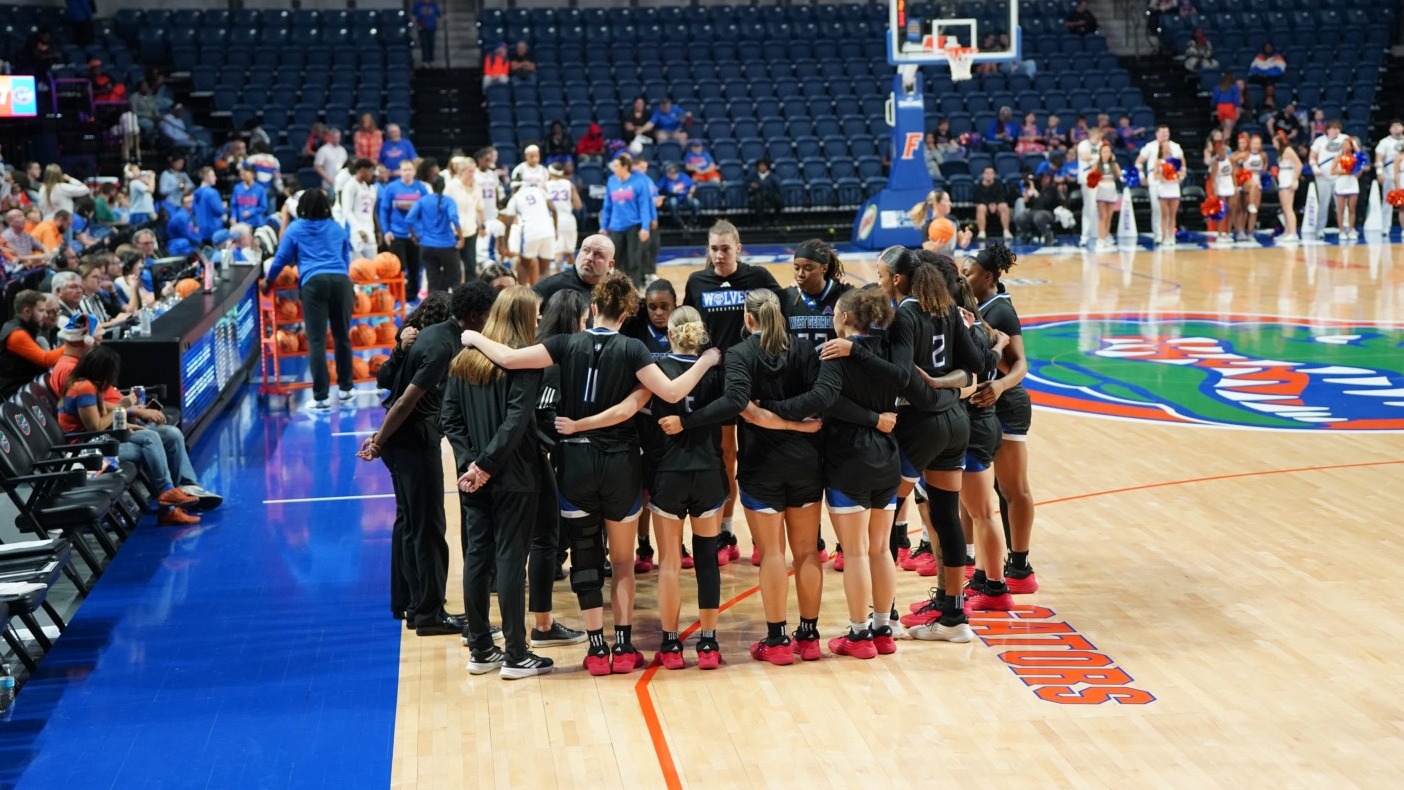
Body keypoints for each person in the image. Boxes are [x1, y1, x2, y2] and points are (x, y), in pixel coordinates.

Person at [460, 271, 722, 675]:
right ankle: (623, 644)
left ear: (593, 308)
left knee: (585, 557)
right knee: (621, 562)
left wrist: (473, 338)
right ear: (629, 311)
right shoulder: (635, 349)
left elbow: (510, 358)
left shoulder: (566, 343)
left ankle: (596, 650)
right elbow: (671, 393)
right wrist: (705, 360)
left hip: (575, 465)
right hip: (620, 464)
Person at [758, 287, 906, 658]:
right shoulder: (888, 350)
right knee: (880, 549)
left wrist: (773, 408)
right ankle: (883, 630)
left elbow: (823, 400)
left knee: (855, 552)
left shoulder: (834, 353)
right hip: (887, 457)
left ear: (842, 317)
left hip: (850, 458)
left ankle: (859, 636)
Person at [360, 282, 496, 636]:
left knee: (410, 524)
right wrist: (378, 440)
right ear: (472, 315)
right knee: (429, 528)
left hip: (406, 439)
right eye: (487, 315)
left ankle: (411, 604)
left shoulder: (439, 332)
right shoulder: (441, 346)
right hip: (412, 438)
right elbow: (405, 400)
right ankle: (430, 614)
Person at [441, 286, 556, 679]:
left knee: (477, 558)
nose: (539, 321)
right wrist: (486, 465)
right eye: (535, 315)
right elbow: (515, 422)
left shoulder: (463, 360)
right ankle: (516, 654)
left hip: (470, 479)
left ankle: (480, 649)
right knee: (510, 561)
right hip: (515, 476)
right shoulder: (523, 363)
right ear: (522, 318)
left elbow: (450, 421)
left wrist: (468, 463)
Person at [625, 306, 728, 669]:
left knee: (669, 562)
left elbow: (638, 419)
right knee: (706, 560)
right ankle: (709, 644)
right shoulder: (716, 373)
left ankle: (670, 646)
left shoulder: (656, 372)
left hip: (668, 472)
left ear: (669, 334)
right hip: (708, 472)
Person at [684, 220, 783, 559]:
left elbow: (787, 309)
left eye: (725, 248)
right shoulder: (697, 281)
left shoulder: (758, 278)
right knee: (726, 456)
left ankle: (761, 537)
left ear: (739, 248)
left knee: (756, 456)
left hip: (756, 379)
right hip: (715, 382)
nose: (719, 255)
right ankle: (727, 532)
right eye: (714, 249)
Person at [57, 344, 209, 525]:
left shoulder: (90, 385)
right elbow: (95, 427)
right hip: (87, 450)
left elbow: (105, 412)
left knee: (171, 434)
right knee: (149, 440)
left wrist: (130, 421)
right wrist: (123, 407)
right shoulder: (83, 388)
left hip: (104, 440)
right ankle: (168, 499)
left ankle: (178, 492)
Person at [963, 246, 1036, 597]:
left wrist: (1000, 385)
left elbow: (1021, 365)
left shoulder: (1001, 310)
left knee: (1012, 488)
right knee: (976, 493)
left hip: (1007, 405)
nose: (963, 278)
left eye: (969, 273)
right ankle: (976, 564)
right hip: (980, 408)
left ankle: (1020, 567)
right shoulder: (969, 308)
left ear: (987, 277)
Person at [264, 189, 356, 412]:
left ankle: (321, 397)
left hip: (314, 283)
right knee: (342, 336)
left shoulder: (296, 228)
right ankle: (346, 389)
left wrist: (268, 281)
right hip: (341, 281)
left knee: (317, 341)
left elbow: (281, 259)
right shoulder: (336, 227)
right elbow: (346, 258)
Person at [379, 159, 430, 300]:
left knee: (415, 268)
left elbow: (427, 210)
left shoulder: (421, 188)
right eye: (404, 169)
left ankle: (411, 297)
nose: (407, 172)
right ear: (400, 171)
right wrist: (386, 231)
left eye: (409, 169)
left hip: (416, 235)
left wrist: (425, 231)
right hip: (396, 234)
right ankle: (395, 297)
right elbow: (384, 211)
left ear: (414, 171)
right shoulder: (391, 188)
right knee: (396, 269)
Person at [600, 154, 654, 284]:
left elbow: (644, 207)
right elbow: (607, 206)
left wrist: (645, 227)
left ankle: (633, 291)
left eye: (617, 166)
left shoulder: (639, 183)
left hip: (633, 226)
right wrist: (603, 226)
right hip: (616, 226)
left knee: (633, 261)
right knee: (614, 260)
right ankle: (615, 289)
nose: (614, 168)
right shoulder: (611, 181)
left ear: (625, 167)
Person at [0, 290, 64, 397]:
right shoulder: (17, 334)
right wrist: (73, 344)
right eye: (41, 311)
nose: (45, 315)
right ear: (27, 312)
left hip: (27, 386)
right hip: (15, 393)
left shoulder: (27, 327)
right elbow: (45, 360)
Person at [405, 175, 462, 293]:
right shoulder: (449, 201)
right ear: (444, 186)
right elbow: (454, 218)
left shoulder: (423, 200)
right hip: (447, 245)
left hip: (427, 246)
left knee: (433, 280)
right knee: (454, 279)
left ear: (431, 186)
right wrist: (461, 238)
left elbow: (409, 219)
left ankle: (435, 308)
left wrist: (414, 236)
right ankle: (456, 308)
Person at [499, 179, 556, 288]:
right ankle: (545, 295)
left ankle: (522, 292)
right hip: (549, 231)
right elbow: (554, 210)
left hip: (530, 232)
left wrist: (505, 244)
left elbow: (508, 224)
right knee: (545, 268)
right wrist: (556, 230)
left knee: (524, 264)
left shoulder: (515, 198)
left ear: (514, 189)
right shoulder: (539, 191)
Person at [534, 232, 614, 305]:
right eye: (586, 250)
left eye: (598, 254)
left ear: (610, 265)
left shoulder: (616, 291)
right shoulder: (553, 286)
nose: (589, 257)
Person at [444, 156, 485, 280]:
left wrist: (482, 226)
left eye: (474, 171)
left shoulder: (477, 188)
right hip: (453, 233)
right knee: (454, 268)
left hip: (471, 232)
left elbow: (479, 208)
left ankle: (470, 295)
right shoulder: (451, 186)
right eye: (470, 171)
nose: (472, 174)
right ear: (461, 171)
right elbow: (444, 208)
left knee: (470, 267)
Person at [1309, 121, 1349, 239]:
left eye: (1337, 128)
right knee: (1323, 203)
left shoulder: (1344, 138)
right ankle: (1320, 229)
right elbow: (1312, 157)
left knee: (1341, 204)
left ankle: (1346, 228)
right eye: (1332, 128)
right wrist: (1315, 168)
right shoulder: (1319, 141)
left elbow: (1352, 151)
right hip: (1323, 176)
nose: (1335, 131)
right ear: (1327, 130)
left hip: (1339, 176)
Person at [337, 159, 380, 261]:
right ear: (362, 170)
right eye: (370, 171)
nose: (372, 174)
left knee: (373, 263)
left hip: (369, 229)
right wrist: (358, 229)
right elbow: (346, 211)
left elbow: (372, 212)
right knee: (357, 267)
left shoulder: (370, 188)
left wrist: (377, 230)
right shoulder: (350, 185)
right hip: (355, 232)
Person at [546, 163, 581, 271]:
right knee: (570, 253)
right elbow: (578, 205)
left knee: (557, 254)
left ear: (550, 172)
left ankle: (556, 282)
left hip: (554, 221)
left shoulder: (545, 185)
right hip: (569, 220)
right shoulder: (569, 184)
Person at [1233, 134, 1268, 241]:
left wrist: (1263, 172)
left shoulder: (1263, 155)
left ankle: (1250, 233)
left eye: (1258, 143)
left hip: (1257, 180)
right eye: (1253, 143)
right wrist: (1237, 172)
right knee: (1242, 208)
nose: (1255, 146)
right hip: (1246, 180)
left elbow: (1265, 165)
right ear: (1250, 144)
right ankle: (1240, 231)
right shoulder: (1245, 154)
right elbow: (1232, 159)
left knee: (1254, 211)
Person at [1150, 139, 1184, 245]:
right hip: (1163, 189)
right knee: (1164, 215)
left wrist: (1178, 177)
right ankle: (1164, 237)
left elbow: (1182, 173)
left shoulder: (1176, 160)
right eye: (1165, 147)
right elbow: (1154, 176)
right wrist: (1163, 177)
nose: (1167, 148)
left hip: (1174, 189)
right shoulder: (1159, 162)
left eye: (1168, 147)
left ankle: (1171, 236)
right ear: (1161, 149)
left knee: (1173, 215)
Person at [1014, 172, 1063, 245]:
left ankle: (1048, 235)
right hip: (1033, 211)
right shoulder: (1037, 188)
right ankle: (1027, 234)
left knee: (1038, 216)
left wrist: (1034, 191)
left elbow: (1045, 203)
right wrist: (1027, 194)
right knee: (1019, 217)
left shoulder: (1052, 189)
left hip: (1047, 212)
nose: (1044, 180)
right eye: (1043, 178)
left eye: (1046, 178)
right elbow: (1028, 205)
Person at [1076, 126, 1104, 246]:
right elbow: (1085, 157)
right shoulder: (1083, 144)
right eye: (1097, 138)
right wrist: (1098, 158)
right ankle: (1085, 236)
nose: (1099, 140)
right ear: (1091, 136)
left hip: (1100, 179)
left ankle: (1100, 235)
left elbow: (1107, 158)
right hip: (1087, 180)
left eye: (1100, 138)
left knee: (1100, 207)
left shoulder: (1101, 144)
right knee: (1089, 207)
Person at [1375, 120, 1404, 234]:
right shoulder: (1384, 142)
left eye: (1399, 125)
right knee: (1387, 202)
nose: (1396, 128)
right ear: (1390, 129)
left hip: (1403, 176)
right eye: (1393, 126)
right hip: (1389, 176)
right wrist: (1379, 172)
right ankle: (1385, 228)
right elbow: (1378, 158)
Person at [1273, 132, 1302, 244]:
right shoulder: (1281, 152)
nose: (1273, 144)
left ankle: (1293, 233)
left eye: (1275, 142)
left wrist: (1294, 180)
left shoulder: (1288, 150)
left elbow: (1299, 165)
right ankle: (1287, 231)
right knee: (1284, 208)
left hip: (1288, 180)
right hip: (1283, 180)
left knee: (1288, 208)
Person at [1092, 143, 1122, 249]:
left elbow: (1120, 176)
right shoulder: (1096, 165)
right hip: (1101, 190)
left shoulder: (1114, 165)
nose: (1106, 154)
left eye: (1108, 151)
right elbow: (1091, 178)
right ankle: (1100, 239)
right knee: (1102, 216)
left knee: (1109, 217)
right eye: (1104, 151)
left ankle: (1105, 237)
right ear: (1100, 153)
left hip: (1111, 190)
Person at [1332, 136, 1362, 242]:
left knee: (1352, 209)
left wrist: (1355, 145)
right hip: (1341, 183)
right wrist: (1344, 172)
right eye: (1343, 144)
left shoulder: (1355, 157)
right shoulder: (1338, 157)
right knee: (1341, 209)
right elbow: (1332, 171)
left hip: (1352, 183)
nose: (1345, 146)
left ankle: (1350, 229)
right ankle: (1341, 231)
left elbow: (1361, 161)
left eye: (1347, 144)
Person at [972, 166, 1012, 241]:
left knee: (1004, 206)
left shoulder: (999, 184)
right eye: (986, 173)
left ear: (994, 174)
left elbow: (1002, 196)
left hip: (997, 205)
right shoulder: (978, 186)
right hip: (984, 205)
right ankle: (981, 232)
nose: (989, 175)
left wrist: (995, 204)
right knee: (981, 207)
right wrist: (988, 204)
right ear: (983, 174)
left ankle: (1006, 231)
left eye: (991, 173)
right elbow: (976, 198)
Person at [192, 167, 227, 244]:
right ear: (206, 177)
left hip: (202, 230)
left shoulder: (196, 193)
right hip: (214, 229)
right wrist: (224, 208)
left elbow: (194, 211)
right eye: (213, 175)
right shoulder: (212, 193)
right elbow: (219, 211)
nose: (215, 178)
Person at [747, 159, 784, 225]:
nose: (762, 167)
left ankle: (777, 218)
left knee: (777, 199)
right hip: (758, 194)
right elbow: (746, 183)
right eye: (760, 166)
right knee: (758, 200)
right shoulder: (753, 176)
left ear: (767, 167)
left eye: (763, 165)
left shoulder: (773, 176)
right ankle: (761, 220)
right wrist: (751, 184)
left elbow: (778, 185)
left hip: (770, 193)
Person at [412, 0, 441, 67]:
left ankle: (431, 60)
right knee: (424, 45)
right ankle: (425, 61)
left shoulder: (434, 5)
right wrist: (416, 25)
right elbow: (413, 16)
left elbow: (438, 14)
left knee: (431, 44)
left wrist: (444, 19)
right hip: (422, 28)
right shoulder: (418, 5)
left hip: (432, 28)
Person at [1211, 73, 1241, 137]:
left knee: (1225, 128)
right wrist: (1237, 112)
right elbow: (1236, 100)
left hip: (1220, 107)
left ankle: (1224, 143)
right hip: (1230, 107)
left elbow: (1214, 100)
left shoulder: (1217, 87)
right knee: (1228, 128)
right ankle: (1226, 144)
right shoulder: (1234, 88)